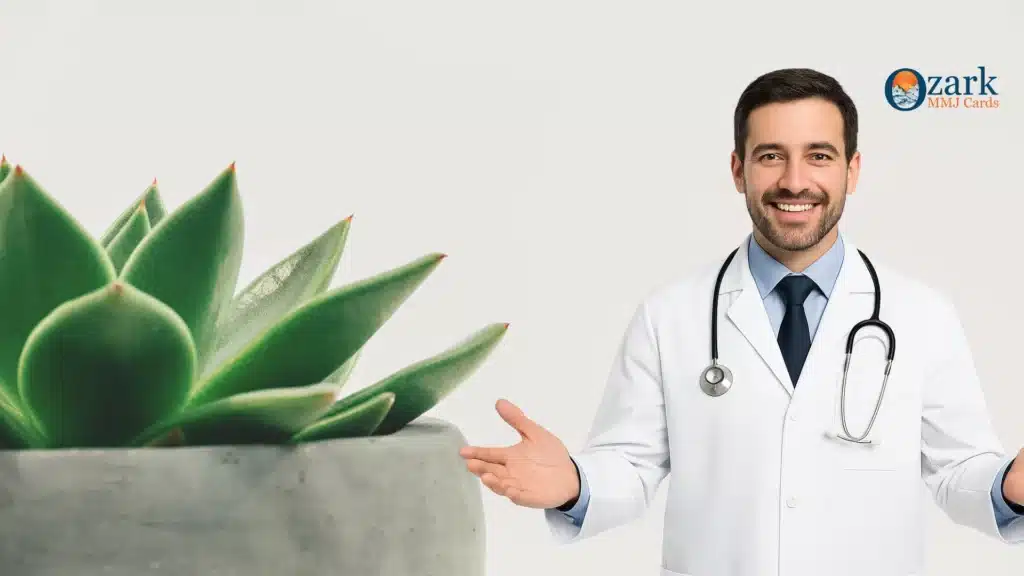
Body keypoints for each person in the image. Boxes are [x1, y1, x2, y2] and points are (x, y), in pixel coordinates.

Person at [459, 68, 1024, 575]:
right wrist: (575, 486)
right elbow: (630, 466)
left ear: (853, 170)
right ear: (738, 169)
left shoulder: (919, 313)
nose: (795, 180)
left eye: (820, 156)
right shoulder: (671, 314)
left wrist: (1009, 486)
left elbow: (959, 472)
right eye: (771, 155)